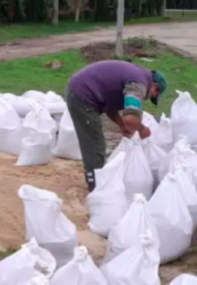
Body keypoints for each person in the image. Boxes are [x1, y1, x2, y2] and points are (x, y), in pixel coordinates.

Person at [66, 60, 167, 191]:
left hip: (81, 90)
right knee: (94, 143)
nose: (149, 98)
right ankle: (95, 184)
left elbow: (110, 108)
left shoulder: (136, 77)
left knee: (96, 141)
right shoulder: (138, 84)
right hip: (82, 95)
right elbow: (131, 118)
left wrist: (121, 125)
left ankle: (97, 179)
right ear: (155, 86)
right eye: (154, 95)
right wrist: (142, 129)